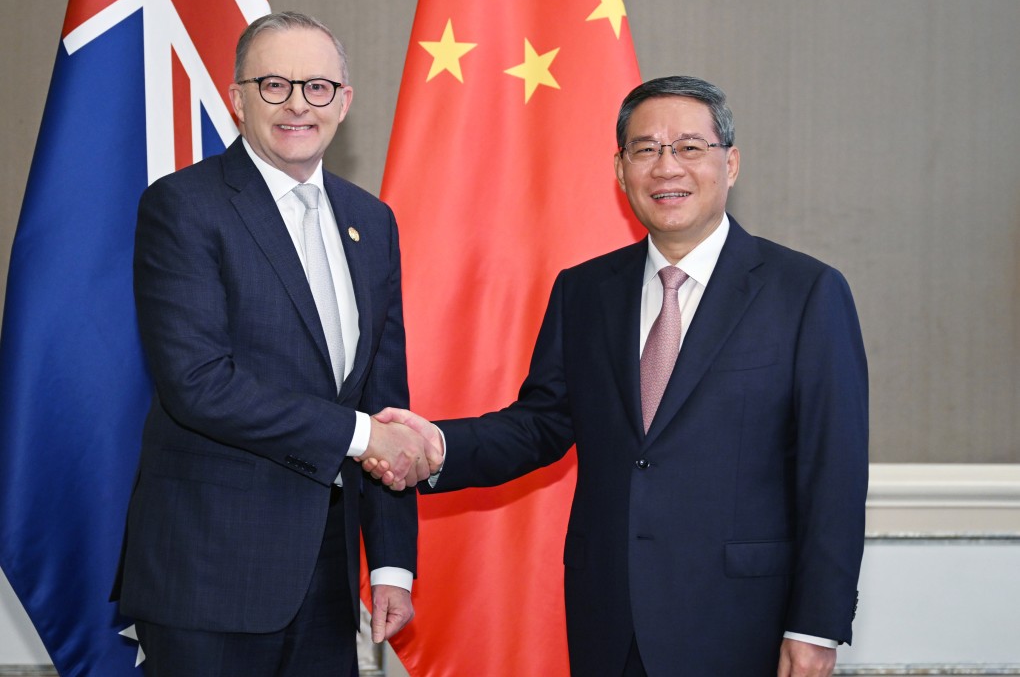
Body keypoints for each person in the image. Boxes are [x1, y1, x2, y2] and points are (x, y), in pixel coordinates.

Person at [370, 76, 869, 676]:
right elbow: (540, 426)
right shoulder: (584, 291)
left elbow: (832, 474)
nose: (667, 167)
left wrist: (816, 626)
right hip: (610, 615)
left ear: (730, 164)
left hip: (745, 622)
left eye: (689, 147)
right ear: (619, 168)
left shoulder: (806, 293)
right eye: (646, 149)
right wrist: (437, 447)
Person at [113, 11, 434, 676]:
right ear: (237, 98)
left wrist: (394, 563)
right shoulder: (183, 207)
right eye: (273, 85)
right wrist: (359, 435)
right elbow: (199, 385)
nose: (297, 104)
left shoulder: (370, 222)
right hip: (208, 578)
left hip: (326, 583)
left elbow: (385, 400)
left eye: (317, 87)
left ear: (343, 102)